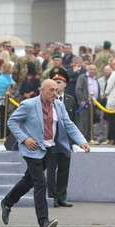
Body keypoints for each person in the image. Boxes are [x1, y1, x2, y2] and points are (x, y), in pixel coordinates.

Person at [0, 79, 90, 227]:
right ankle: (43, 222)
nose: (55, 93)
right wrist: (25, 138)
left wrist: (82, 141)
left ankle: (7, 202)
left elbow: (69, 125)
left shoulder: (59, 105)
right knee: (41, 183)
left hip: (49, 149)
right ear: (42, 89)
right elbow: (12, 121)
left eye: (56, 90)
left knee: (28, 181)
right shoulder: (29, 105)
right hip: (32, 149)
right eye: (51, 90)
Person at [46, 67, 77, 208]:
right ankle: (52, 197)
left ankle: (61, 197)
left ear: (65, 84)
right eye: (54, 81)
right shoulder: (47, 99)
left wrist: (74, 141)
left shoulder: (70, 100)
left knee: (64, 170)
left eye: (60, 82)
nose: (57, 85)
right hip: (51, 140)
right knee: (51, 169)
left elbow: (73, 121)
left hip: (65, 141)